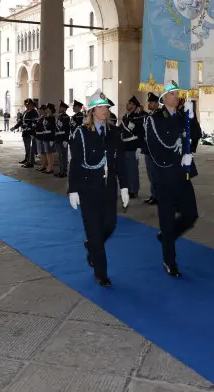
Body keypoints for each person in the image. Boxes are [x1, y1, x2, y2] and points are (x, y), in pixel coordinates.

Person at [68, 89, 129, 287]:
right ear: (93, 111)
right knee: (94, 231)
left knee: (110, 225)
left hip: (108, 188)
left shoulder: (114, 132)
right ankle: (101, 272)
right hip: (88, 188)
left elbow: (120, 162)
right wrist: (73, 189)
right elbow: (75, 162)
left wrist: (125, 187)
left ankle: (92, 246)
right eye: (101, 107)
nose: (105, 110)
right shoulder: (82, 133)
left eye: (107, 107)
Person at [144, 80, 201, 277]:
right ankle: (170, 261)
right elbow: (154, 147)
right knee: (167, 220)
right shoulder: (155, 119)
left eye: (177, 93)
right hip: (165, 176)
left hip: (183, 175)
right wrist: (175, 158)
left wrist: (192, 118)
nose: (176, 96)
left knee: (191, 215)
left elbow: (196, 135)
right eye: (172, 94)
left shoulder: (183, 116)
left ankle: (167, 236)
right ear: (164, 98)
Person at [120, 95, 145, 199]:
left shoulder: (138, 117)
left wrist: (139, 147)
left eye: (130, 103)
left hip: (133, 146)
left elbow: (140, 132)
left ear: (134, 106)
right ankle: (127, 189)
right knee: (125, 170)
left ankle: (134, 190)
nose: (127, 104)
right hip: (124, 146)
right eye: (128, 103)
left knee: (133, 170)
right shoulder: (125, 117)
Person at [141, 92, 160, 205]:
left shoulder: (159, 115)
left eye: (151, 102)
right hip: (148, 149)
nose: (149, 104)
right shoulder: (149, 115)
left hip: (155, 150)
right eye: (149, 102)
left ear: (157, 103)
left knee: (156, 174)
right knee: (150, 174)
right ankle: (153, 194)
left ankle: (158, 195)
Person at [14, 99, 39, 167]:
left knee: (30, 147)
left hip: (30, 132)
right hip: (25, 132)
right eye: (26, 105)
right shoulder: (25, 112)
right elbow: (21, 121)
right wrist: (15, 127)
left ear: (32, 105)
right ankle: (27, 159)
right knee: (26, 147)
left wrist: (30, 129)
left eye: (28, 105)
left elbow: (34, 123)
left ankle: (30, 161)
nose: (27, 106)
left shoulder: (34, 112)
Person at [36, 103, 57, 173]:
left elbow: (53, 128)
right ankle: (48, 167)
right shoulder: (46, 117)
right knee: (47, 153)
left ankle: (50, 167)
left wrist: (52, 139)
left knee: (50, 153)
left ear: (50, 109)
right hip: (45, 136)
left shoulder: (52, 117)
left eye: (47, 108)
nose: (46, 109)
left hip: (49, 136)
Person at [55, 101, 72, 178]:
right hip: (58, 138)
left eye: (60, 107)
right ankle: (61, 170)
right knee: (60, 156)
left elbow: (67, 129)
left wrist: (66, 140)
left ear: (64, 108)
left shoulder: (66, 117)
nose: (59, 108)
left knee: (64, 156)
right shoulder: (60, 116)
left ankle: (64, 171)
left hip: (63, 139)